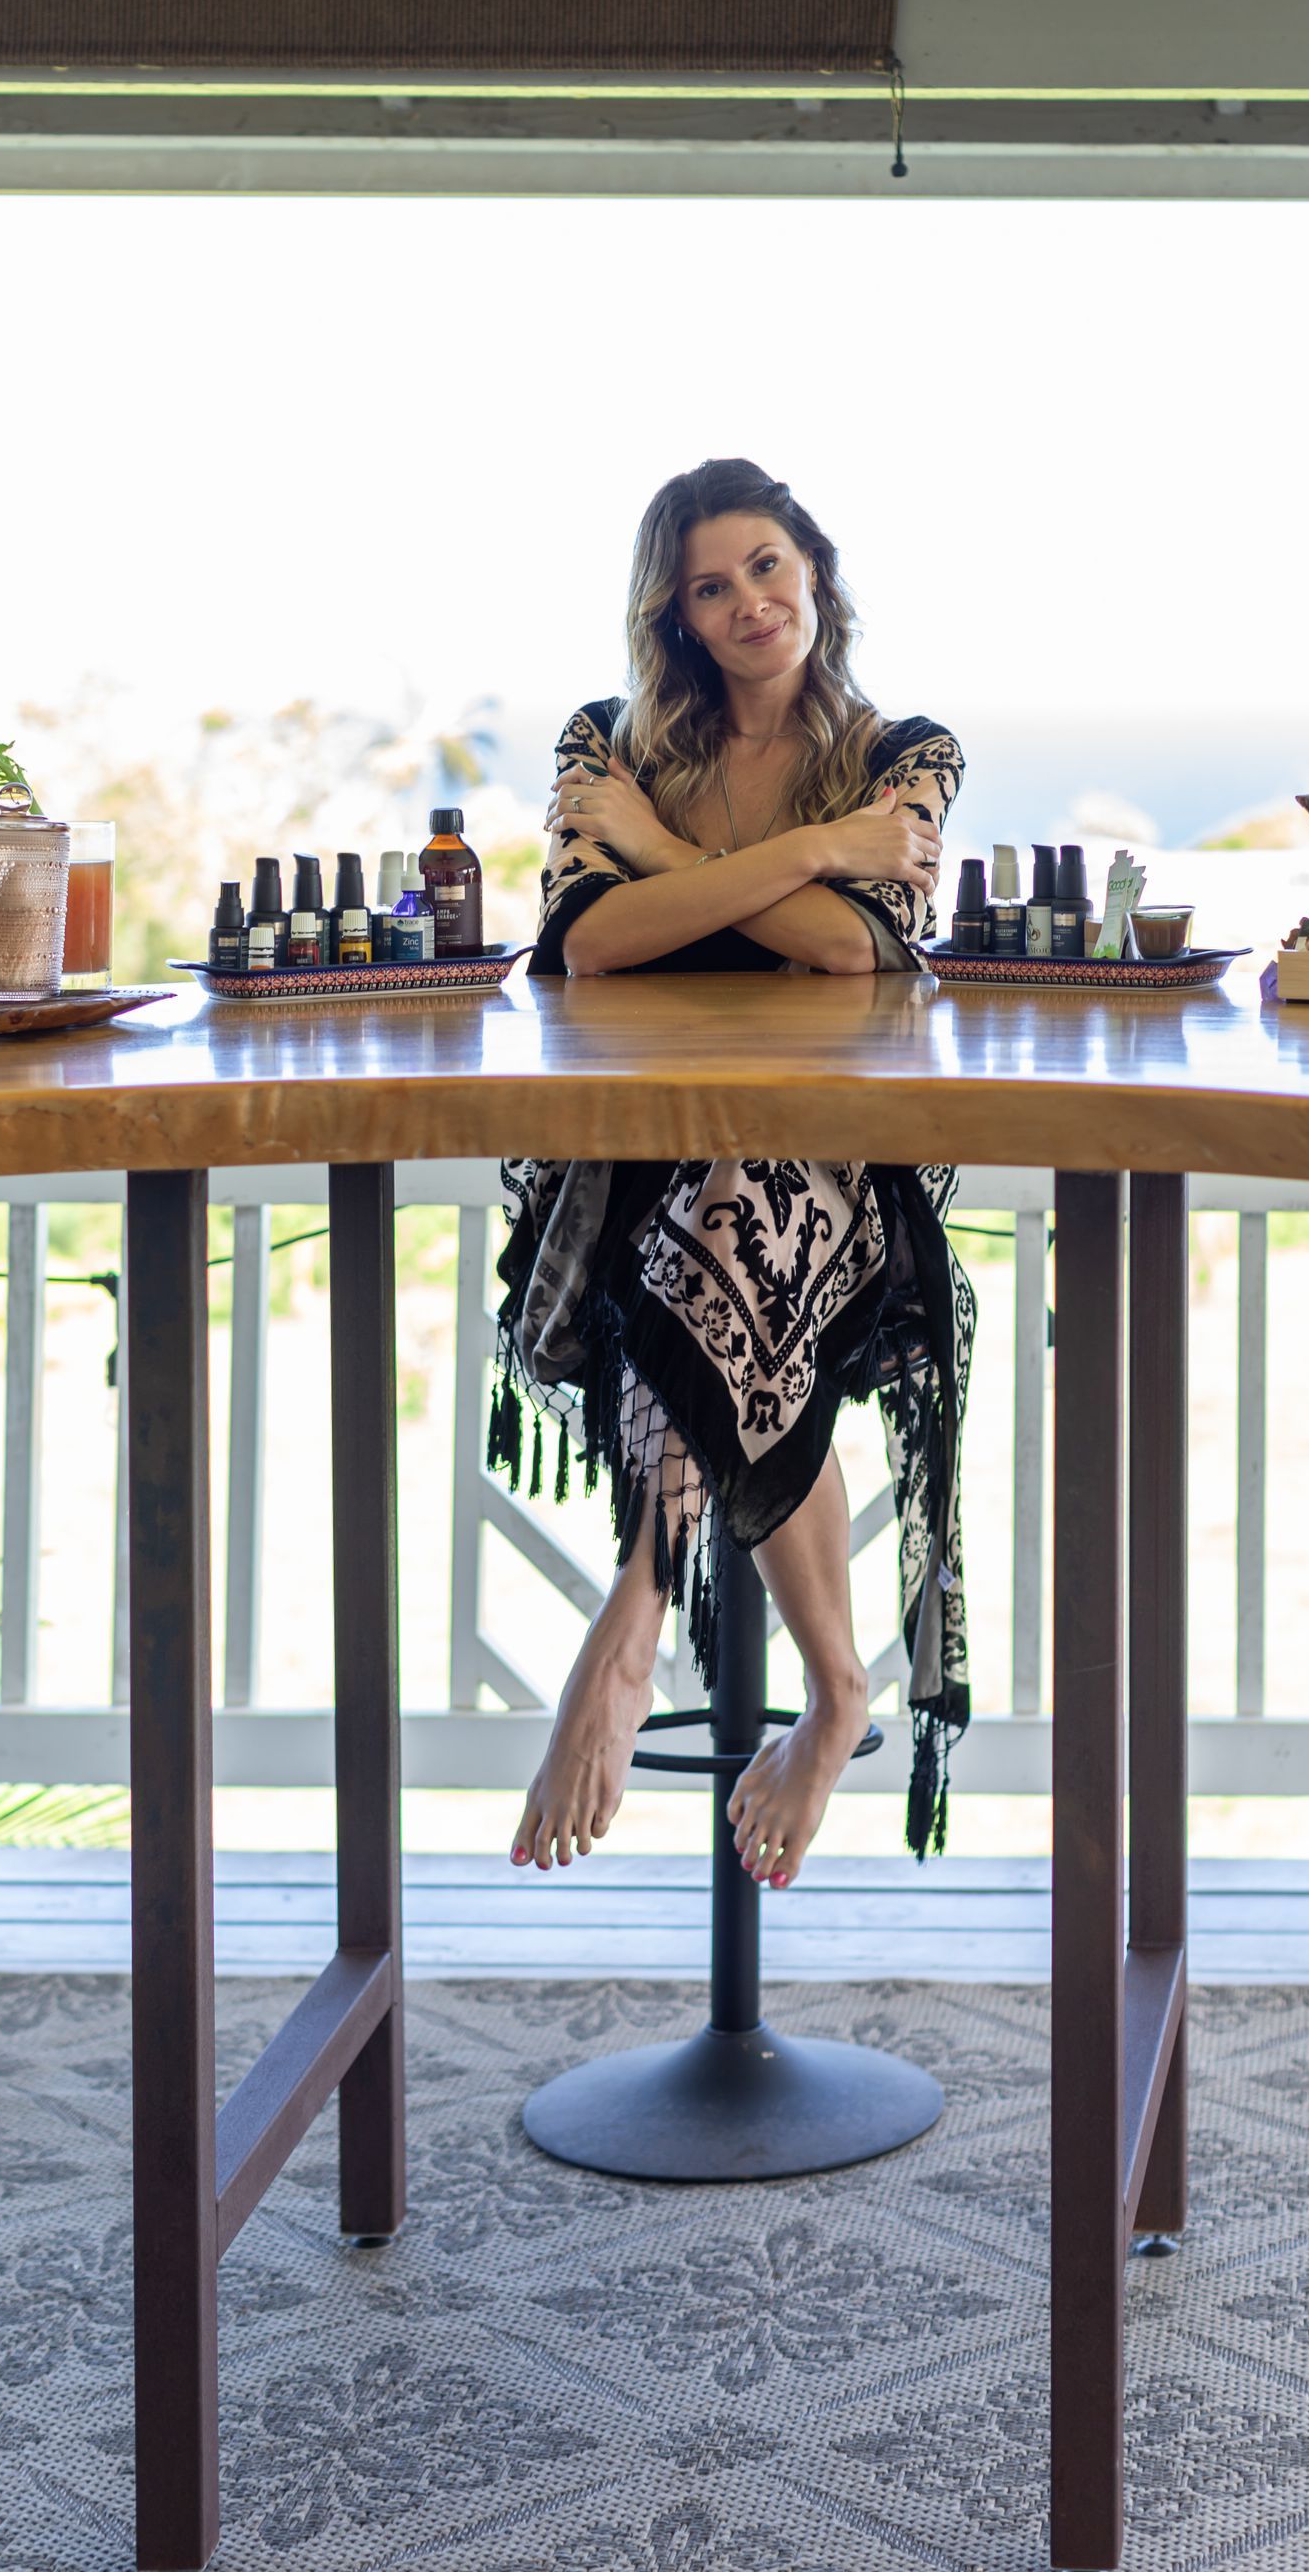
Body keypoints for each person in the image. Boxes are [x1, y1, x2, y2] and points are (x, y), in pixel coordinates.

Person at [494, 457, 974, 1890]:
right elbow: (590, 946)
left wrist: (669, 857)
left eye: (769, 565)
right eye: (713, 586)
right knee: (735, 1239)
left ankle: (635, 1608)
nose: (751, 602)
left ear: (813, 569)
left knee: (754, 1212)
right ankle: (835, 1694)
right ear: (679, 619)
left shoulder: (912, 751)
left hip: (844, 1162)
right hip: (635, 1159)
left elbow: (855, 954)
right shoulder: (607, 741)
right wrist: (814, 854)